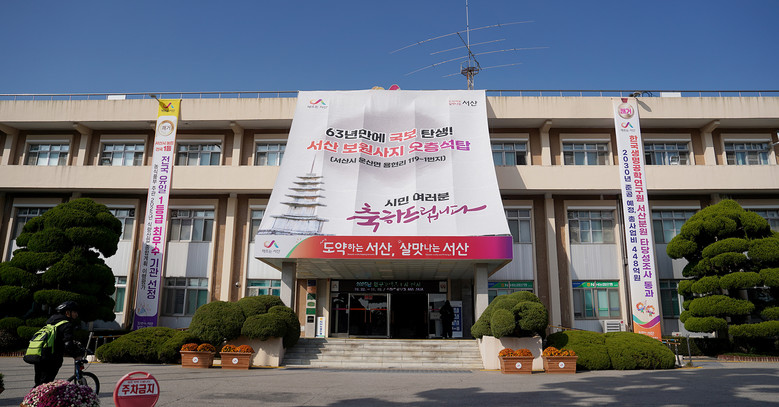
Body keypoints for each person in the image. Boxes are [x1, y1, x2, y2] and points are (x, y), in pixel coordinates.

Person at [33, 301, 85, 386]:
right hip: (52, 357)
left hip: (40, 354)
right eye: (75, 312)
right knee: (46, 384)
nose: (76, 314)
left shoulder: (51, 320)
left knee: (39, 383)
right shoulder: (67, 325)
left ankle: (33, 395)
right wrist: (76, 355)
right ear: (67, 312)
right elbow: (68, 344)